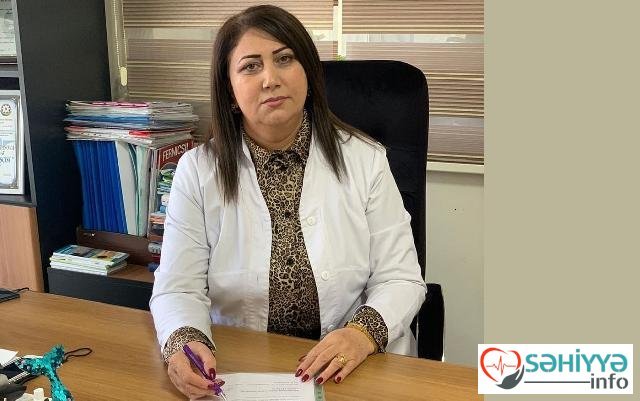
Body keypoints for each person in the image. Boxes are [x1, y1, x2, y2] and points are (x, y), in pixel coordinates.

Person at [150, 4, 426, 399]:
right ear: (230, 90)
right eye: (250, 66)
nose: (271, 79)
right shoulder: (197, 171)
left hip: (352, 367)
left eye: (284, 59)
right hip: (242, 365)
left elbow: (401, 278)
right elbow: (178, 288)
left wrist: (361, 334)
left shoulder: (366, 159)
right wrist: (184, 341)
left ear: (308, 73)